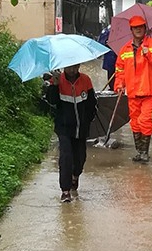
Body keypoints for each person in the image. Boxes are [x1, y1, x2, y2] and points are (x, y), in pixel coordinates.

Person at [114, 15, 152, 162]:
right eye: (135, 27)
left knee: (145, 120)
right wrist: (119, 85)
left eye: (140, 27)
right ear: (131, 30)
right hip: (132, 93)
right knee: (135, 123)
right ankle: (139, 152)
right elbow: (120, 70)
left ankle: (144, 153)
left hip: (149, 91)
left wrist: (149, 54)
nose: (138, 30)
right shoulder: (125, 49)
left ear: (145, 29)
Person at [44, 64, 97, 203]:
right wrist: (55, 85)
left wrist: (87, 120)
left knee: (80, 158)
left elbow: (92, 103)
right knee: (66, 157)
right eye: (69, 67)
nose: (72, 70)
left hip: (81, 128)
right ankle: (65, 191)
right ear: (63, 67)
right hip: (64, 128)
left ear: (79, 65)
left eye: (75, 67)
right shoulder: (56, 80)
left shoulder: (86, 80)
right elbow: (51, 101)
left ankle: (75, 176)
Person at [97, 25, 116, 90]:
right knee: (111, 75)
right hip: (110, 57)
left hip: (119, 57)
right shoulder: (107, 31)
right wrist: (107, 43)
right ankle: (112, 88)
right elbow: (101, 44)